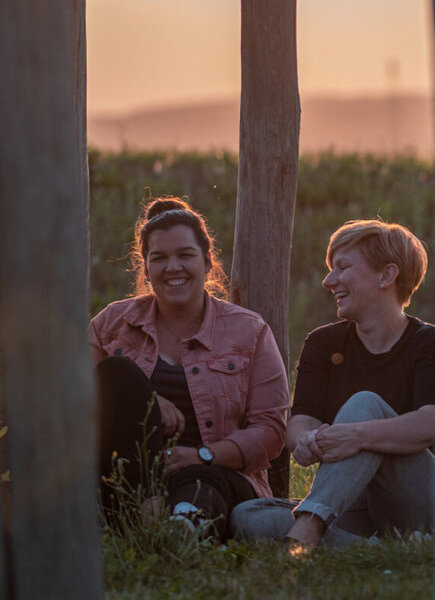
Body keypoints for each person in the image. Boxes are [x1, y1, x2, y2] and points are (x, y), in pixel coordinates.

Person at [231, 218, 435, 550]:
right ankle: (383, 549)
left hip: (425, 503)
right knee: (249, 515)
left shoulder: (429, 343)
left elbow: (431, 423)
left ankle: (309, 529)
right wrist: (310, 439)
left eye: (342, 267)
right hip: (351, 504)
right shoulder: (323, 343)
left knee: (364, 404)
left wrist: (356, 434)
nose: (329, 281)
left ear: (386, 275)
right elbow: (300, 423)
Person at [89, 196, 289, 537]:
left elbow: (270, 429)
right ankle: (149, 515)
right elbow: (72, 391)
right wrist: (144, 399)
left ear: (208, 262)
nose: (173, 267)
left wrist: (204, 454)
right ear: (146, 268)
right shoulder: (112, 322)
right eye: (159, 258)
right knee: (117, 372)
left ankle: (183, 529)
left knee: (200, 482)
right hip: (126, 478)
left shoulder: (249, 330)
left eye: (185, 255)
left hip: (217, 476)